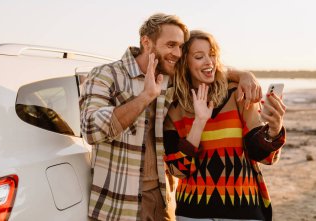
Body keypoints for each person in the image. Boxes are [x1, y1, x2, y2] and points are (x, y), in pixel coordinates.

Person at [80, 13, 262, 221]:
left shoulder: (171, 76)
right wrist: (145, 97)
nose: (177, 53)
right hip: (117, 203)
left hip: (162, 202)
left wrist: (245, 76)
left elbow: (208, 69)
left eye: (181, 47)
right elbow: (91, 131)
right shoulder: (106, 75)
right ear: (146, 42)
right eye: (171, 45)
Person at [163, 30, 286, 221]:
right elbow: (179, 170)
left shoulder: (238, 93)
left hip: (243, 210)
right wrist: (199, 122)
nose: (209, 62)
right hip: (193, 213)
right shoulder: (174, 108)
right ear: (184, 62)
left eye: (212, 54)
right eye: (199, 56)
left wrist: (274, 129)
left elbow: (264, 156)